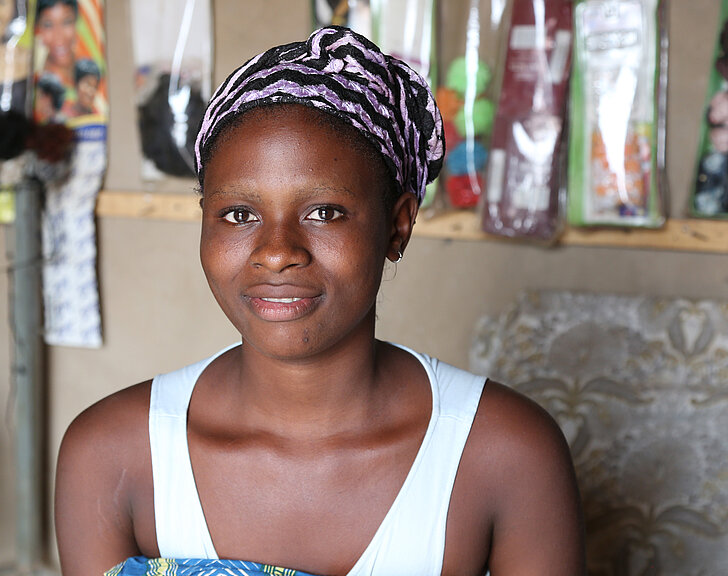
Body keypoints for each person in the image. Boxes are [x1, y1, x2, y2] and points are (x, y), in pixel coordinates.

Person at [55, 26, 585, 576]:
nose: (276, 252)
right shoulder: (113, 455)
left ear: (398, 226)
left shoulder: (504, 453)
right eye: (239, 214)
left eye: (324, 213)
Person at [34, 0, 77, 88]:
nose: (59, 36)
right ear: (38, 30)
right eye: (48, 25)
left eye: (66, 22)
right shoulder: (35, 83)